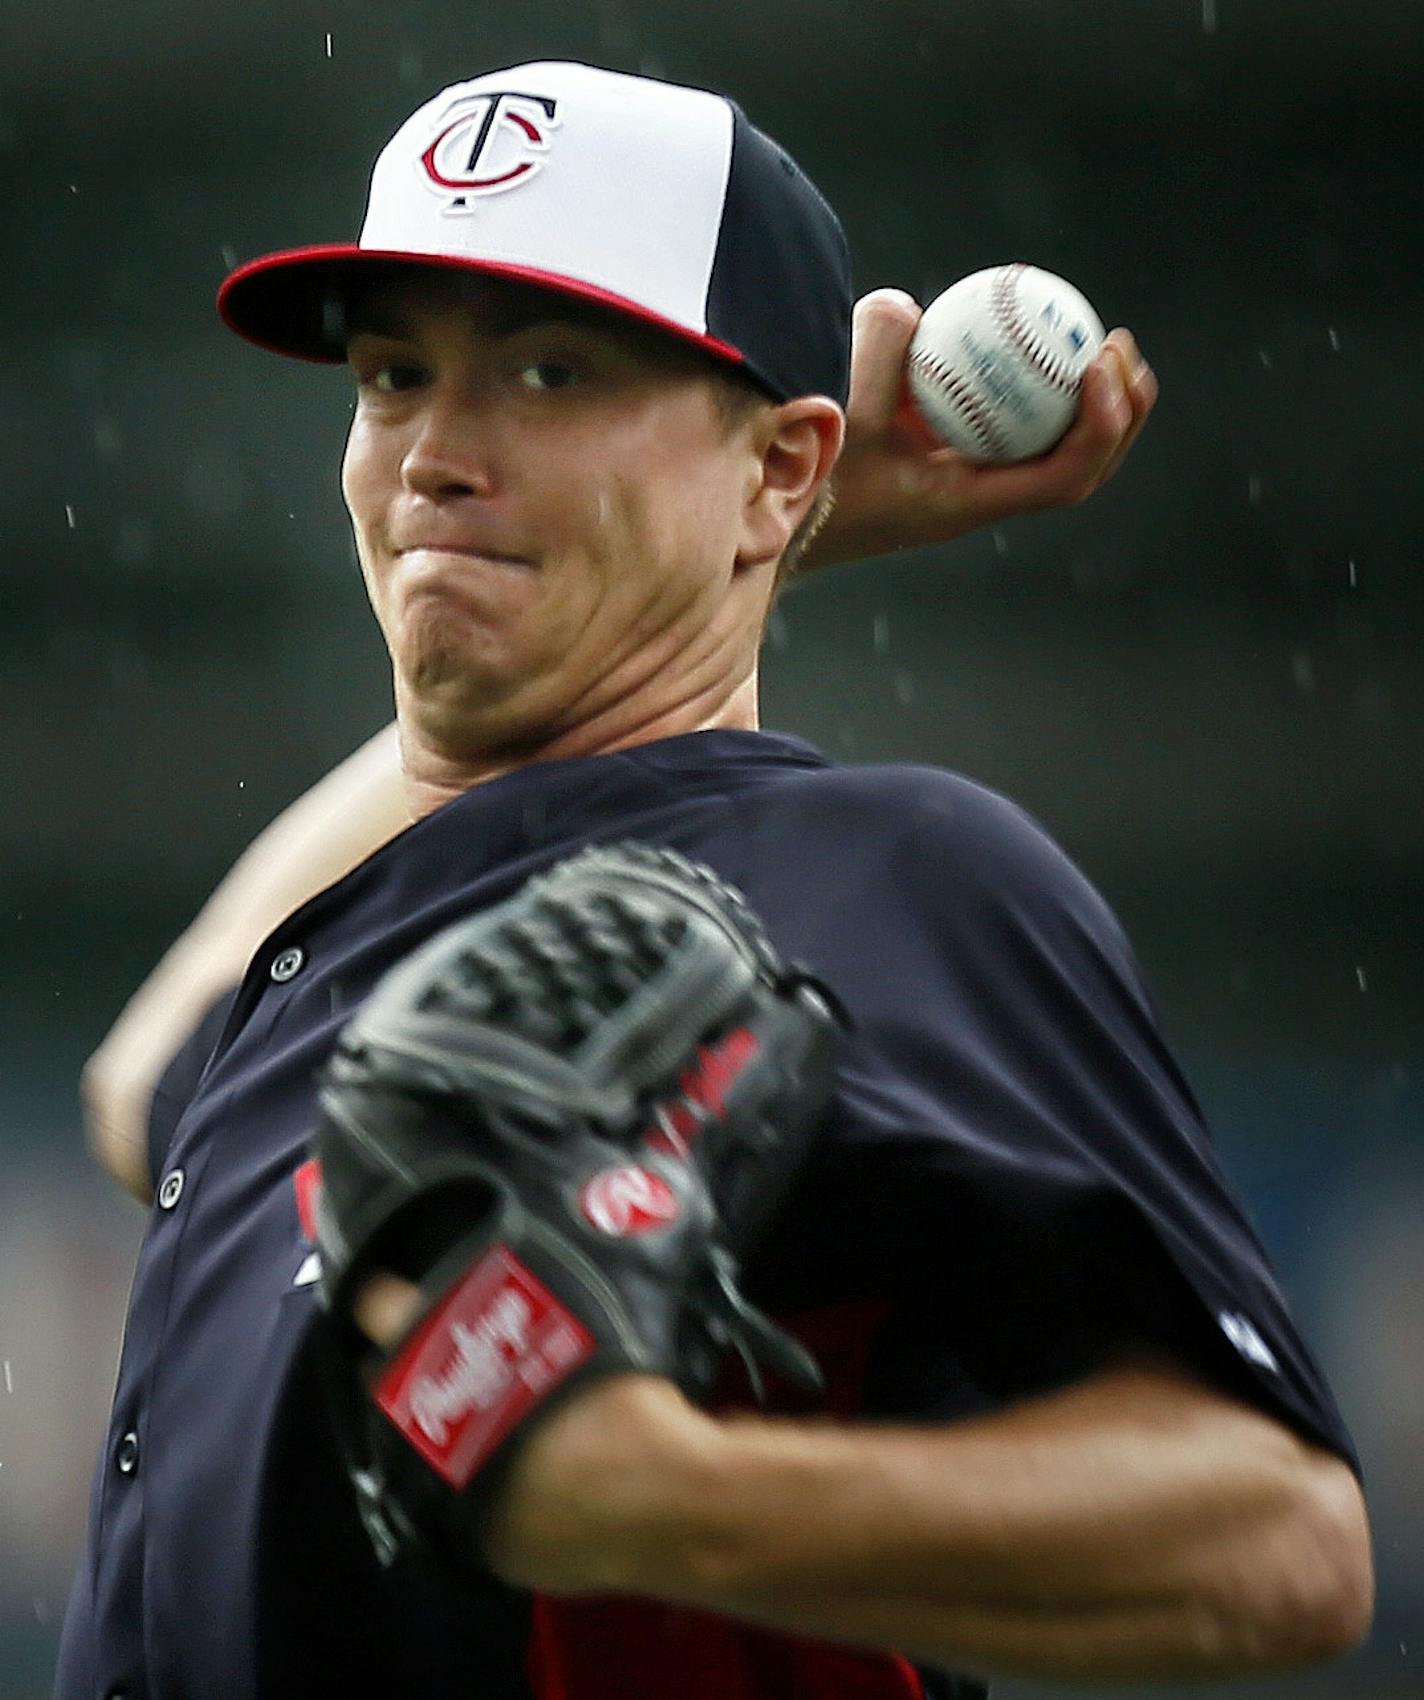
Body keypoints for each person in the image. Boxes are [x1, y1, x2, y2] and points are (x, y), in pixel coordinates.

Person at [60, 60, 1370, 1700]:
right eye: (394, 375)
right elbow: (137, 1085)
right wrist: (762, 544)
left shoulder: (880, 875)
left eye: (547, 371)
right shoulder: (343, 943)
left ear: (775, 462)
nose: (435, 455)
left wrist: (667, 1501)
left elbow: (1284, 1543)